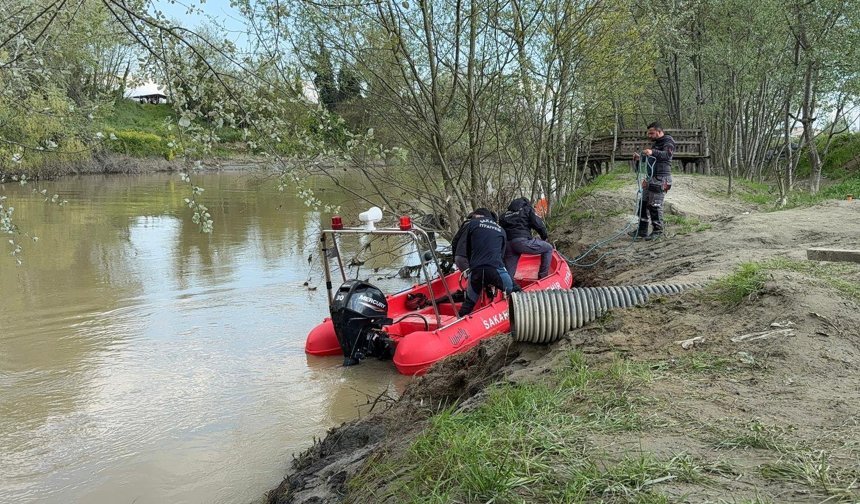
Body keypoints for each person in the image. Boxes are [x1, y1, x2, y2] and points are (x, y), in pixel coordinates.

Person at [456, 208, 513, 317]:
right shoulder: (501, 230)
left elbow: (467, 248)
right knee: (511, 288)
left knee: (469, 301)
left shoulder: (472, 224)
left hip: (476, 270)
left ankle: (459, 322)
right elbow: (501, 255)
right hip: (494, 268)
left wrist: (471, 267)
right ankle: (516, 310)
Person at [632, 122, 675, 240]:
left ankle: (658, 231)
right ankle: (642, 230)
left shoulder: (668, 141)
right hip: (651, 177)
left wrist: (652, 152)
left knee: (655, 205)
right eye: (648, 134)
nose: (649, 136)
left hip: (661, 178)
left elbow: (667, 155)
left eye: (652, 133)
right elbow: (652, 158)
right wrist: (640, 158)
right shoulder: (656, 144)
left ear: (659, 131)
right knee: (643, 203)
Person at [500, 197, 553, 280]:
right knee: (548, 248)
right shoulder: (527, 209)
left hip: (508, 244)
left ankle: (506, 289)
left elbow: (501, 231)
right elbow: (538, 224)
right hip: (521, 242)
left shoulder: (504, 215)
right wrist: (544, 236)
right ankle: (543, 277)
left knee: (509, 271)